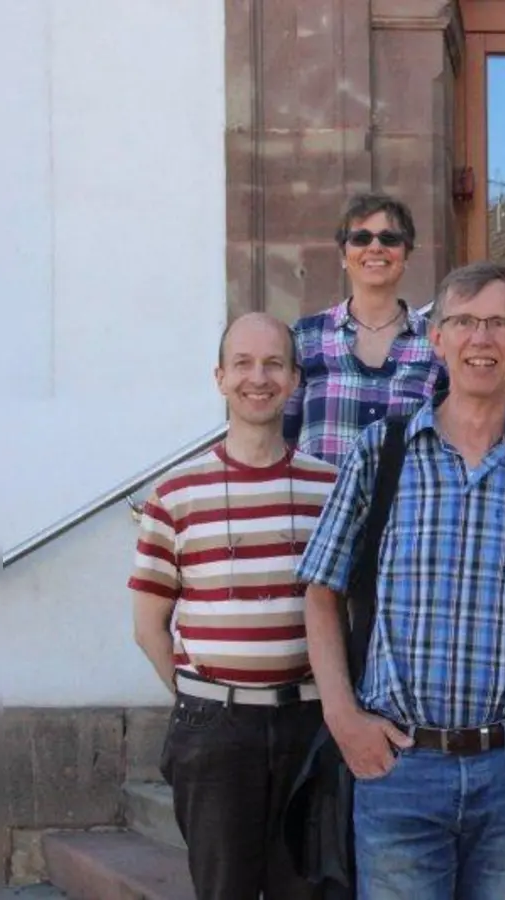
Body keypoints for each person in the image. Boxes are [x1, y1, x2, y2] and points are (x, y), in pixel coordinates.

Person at [295, 262, 505, 899]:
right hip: (399, 767)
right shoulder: (380, 454)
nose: (481, 338)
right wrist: (342, 717)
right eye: (463, 322)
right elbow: (321, 591)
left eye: (499, 323)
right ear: (435, 338)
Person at [129, 312, 338, 900]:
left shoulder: (332, 488)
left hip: (311, 723)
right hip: (213, 731)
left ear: (295, 380)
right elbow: (148, 625)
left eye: (274, 363)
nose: (258, 377)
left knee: (311, 888)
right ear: (219, 378)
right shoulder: (174, 496)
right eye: (242, 364)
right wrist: (205, 697)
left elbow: (345, 612)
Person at [284, 192, 446, 466]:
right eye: (361, 238)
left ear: (406, 254)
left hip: (404, 507)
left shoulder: (437, 344)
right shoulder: (306, 338)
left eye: (389, 238)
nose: (375, 247)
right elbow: (283, 437)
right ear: (344, 255)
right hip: (321, 506)